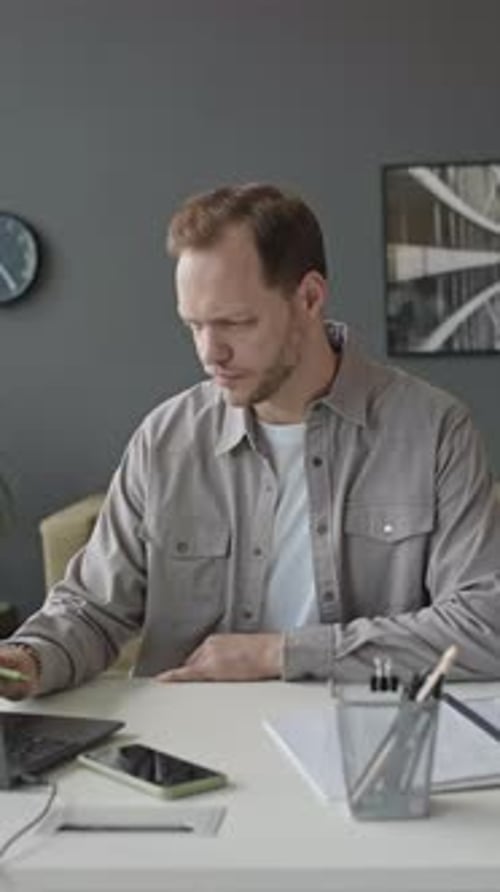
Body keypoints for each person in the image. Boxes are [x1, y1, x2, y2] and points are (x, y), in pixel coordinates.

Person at [1, 183, 500, 701]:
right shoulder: (165, 439)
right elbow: (92, 610)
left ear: (309, 297)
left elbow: (487, 625)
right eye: (193, 325)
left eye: (235, 323)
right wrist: (28, 658)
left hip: (361, 744)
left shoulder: (433, 429)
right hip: (191, 753)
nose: (209, 352)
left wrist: (278, 653)